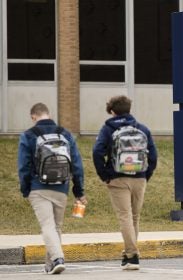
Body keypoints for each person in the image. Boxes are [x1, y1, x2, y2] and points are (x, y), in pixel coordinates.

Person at [17, 103, 87, 274]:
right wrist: (79, 192)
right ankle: (51, 264)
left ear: (33, 116)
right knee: (56, 227)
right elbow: (77, 165)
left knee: (47, 226)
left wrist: (26, 189)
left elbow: (24, 166)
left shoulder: (28, 135)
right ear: (48, 114)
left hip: (38, 186)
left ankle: (57, 258)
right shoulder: (65, 134)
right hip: (61, 187)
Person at [93, 95, 157, 270]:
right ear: (129, 109)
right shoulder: (142, 128)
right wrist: (145, 175)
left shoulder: (108, 129)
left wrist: (105, 175)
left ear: (112, 111)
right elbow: (153, 155)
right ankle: (129, 255)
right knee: (134, 218)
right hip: (140, 177)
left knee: (125, 217)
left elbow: (97, 152)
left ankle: (132, 256)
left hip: (117, 178)